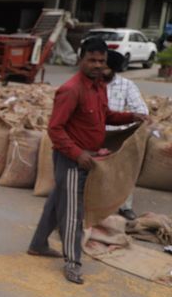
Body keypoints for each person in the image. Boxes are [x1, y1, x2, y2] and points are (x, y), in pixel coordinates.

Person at [27, 38, 147, 284]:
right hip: (72, 160)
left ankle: (38, 244)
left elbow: (105, 116)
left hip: (87, 157)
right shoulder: (71, 90)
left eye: (101, 61)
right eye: (92, 60)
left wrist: (130, 116)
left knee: (57, 202)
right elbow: (55, 129)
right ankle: (73, 262)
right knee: (73, 212)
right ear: (80, 59)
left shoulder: (98, 85)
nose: (97, 65)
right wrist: (77, 154)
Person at [103, 50, 149, 221]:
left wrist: (126, 128)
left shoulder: (126, 85)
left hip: (117, 135)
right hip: (93, 133)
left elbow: (142, 111)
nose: (100, 70)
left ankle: (125, 206)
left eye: (105, 67)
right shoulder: (91, 82)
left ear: (113, 69)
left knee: (125, 169)